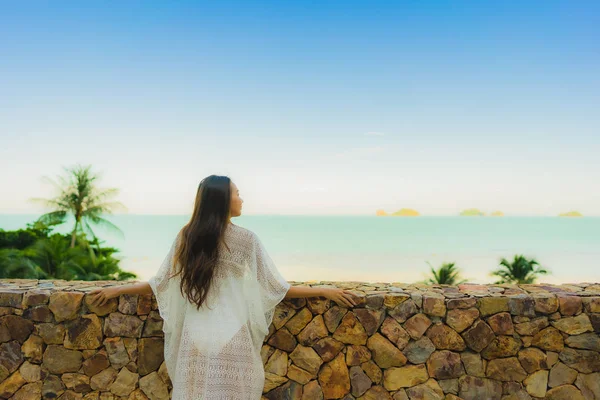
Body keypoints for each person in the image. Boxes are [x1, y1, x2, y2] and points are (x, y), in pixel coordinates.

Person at [88, 175, 357, 399]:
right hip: (232, 338)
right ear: (222, 201)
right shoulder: (245, 239)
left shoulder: (188, 235)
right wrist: (324, 291)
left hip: (195, 338)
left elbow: (161, 282)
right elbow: (276, 287)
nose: (242, 199)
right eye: (237, 193)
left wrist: (118, 290)